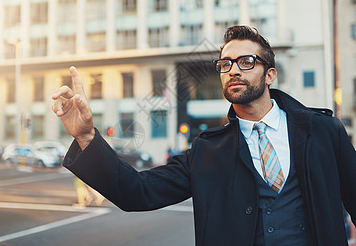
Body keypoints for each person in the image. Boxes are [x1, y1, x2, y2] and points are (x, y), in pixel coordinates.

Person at [52, 25, 356, 246]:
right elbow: (137, 192)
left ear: (270, 74)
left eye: (246, 62)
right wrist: (87, 137)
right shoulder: (207, 151)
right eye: (226, 64)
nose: (234, 70)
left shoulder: (322, 131)